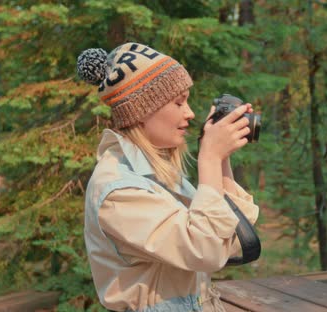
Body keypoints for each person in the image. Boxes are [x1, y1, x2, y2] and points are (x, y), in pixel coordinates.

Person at [77, 42, 259, 312]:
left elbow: (231, 242)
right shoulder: (118, 190)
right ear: (142, 110)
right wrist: (208, 158)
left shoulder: (156, 174)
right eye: (178, 102)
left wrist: (221, 159)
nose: (190, 113)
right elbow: (205, 250)